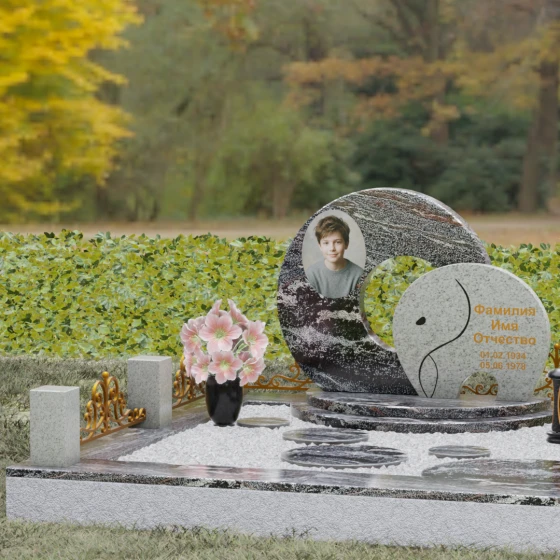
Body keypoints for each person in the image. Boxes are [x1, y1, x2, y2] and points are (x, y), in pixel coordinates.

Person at [305, 215, 364, 298]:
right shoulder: (312, 275)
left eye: (338, 242)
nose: (332, 248)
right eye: (326, 243)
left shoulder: (358, 275)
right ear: (320, 246)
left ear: (346, 244)